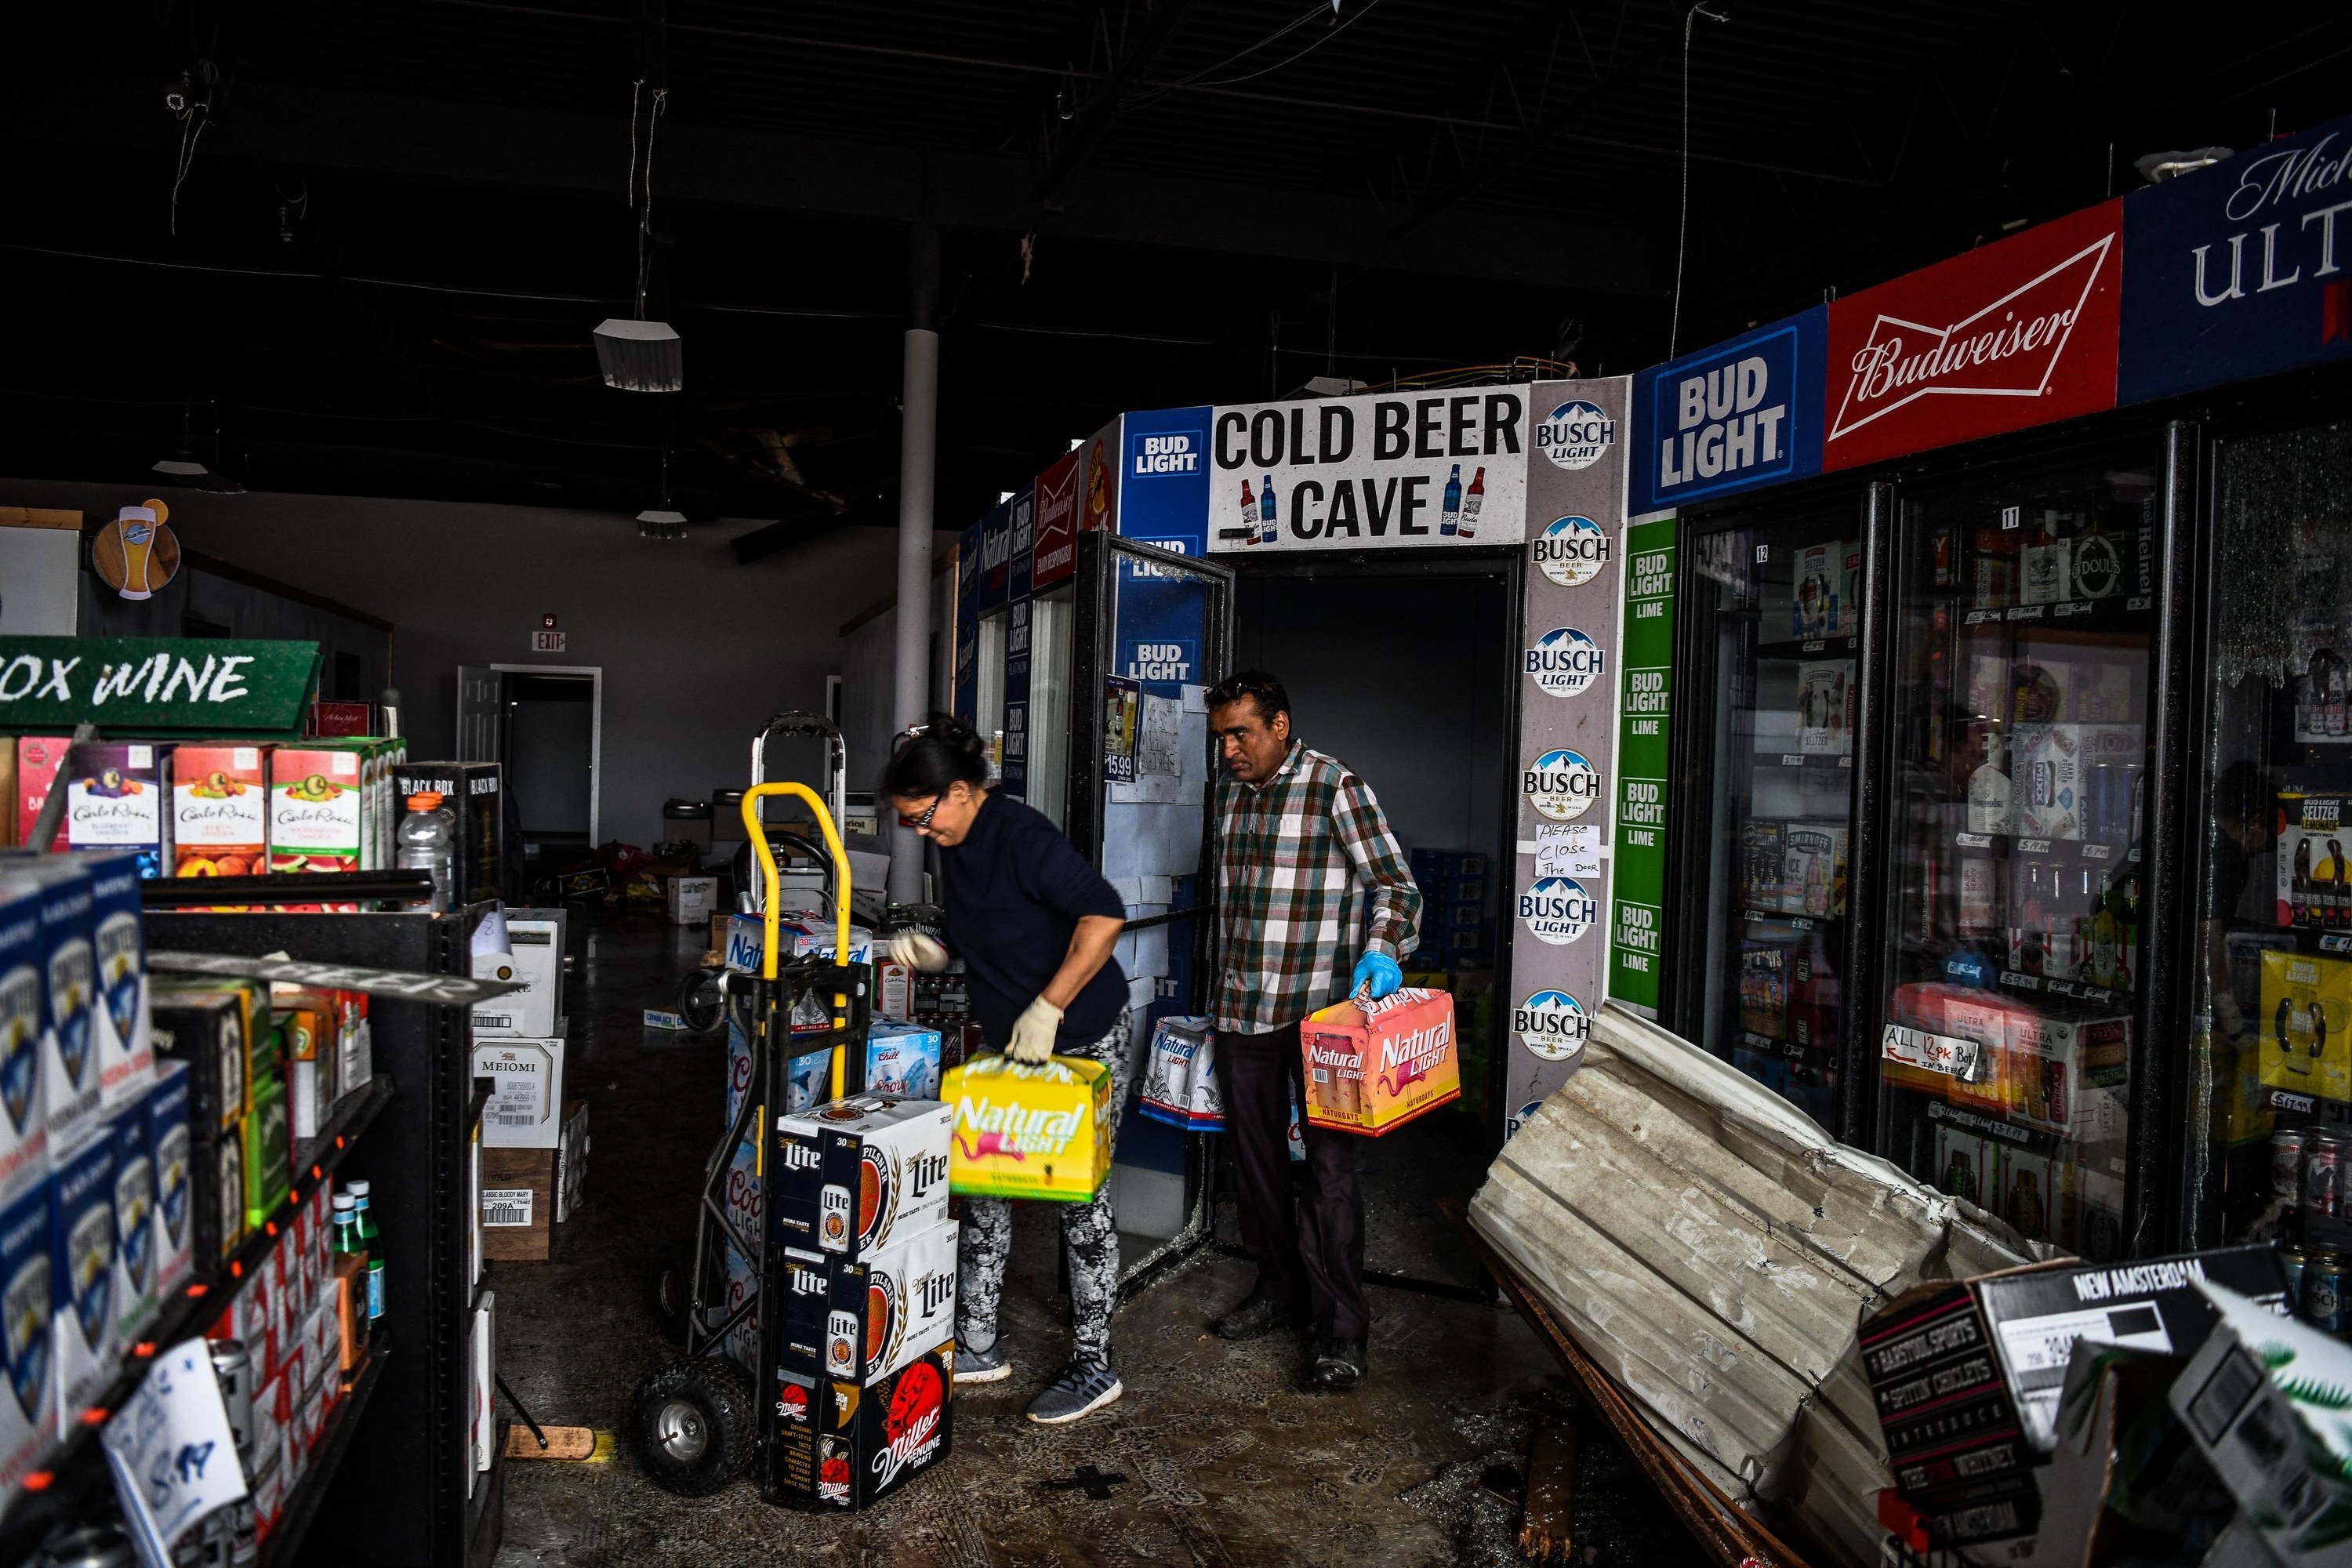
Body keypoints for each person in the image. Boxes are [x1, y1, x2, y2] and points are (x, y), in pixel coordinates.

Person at [879, 714, 1132, 1425]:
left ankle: (1094, 1363)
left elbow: (1102, 916)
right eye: (909, 824)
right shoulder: (955, 844)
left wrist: (1050, 1007)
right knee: (985, 1190)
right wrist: (941, 948)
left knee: (1082, 1206)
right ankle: (980, 1345)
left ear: (959, 792)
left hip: (1079, 1036)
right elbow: (994, 923)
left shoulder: (1021, 835)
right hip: (1010, 1044)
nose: (920, 832)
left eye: (922, 817)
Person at [1203, 670, 1421, 1392]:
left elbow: (1395, 884)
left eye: (1243, 733)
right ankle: (1278, 1289)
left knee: (1329, 1174)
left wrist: (1383, 951)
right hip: (1242, 1010)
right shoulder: (1229, 792)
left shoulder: (1335, 786)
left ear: (1281, 726)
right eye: (1223, 736)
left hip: (1323, 1017)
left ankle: (1340, 1333)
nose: (1230, 749)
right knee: (1257, 1166)